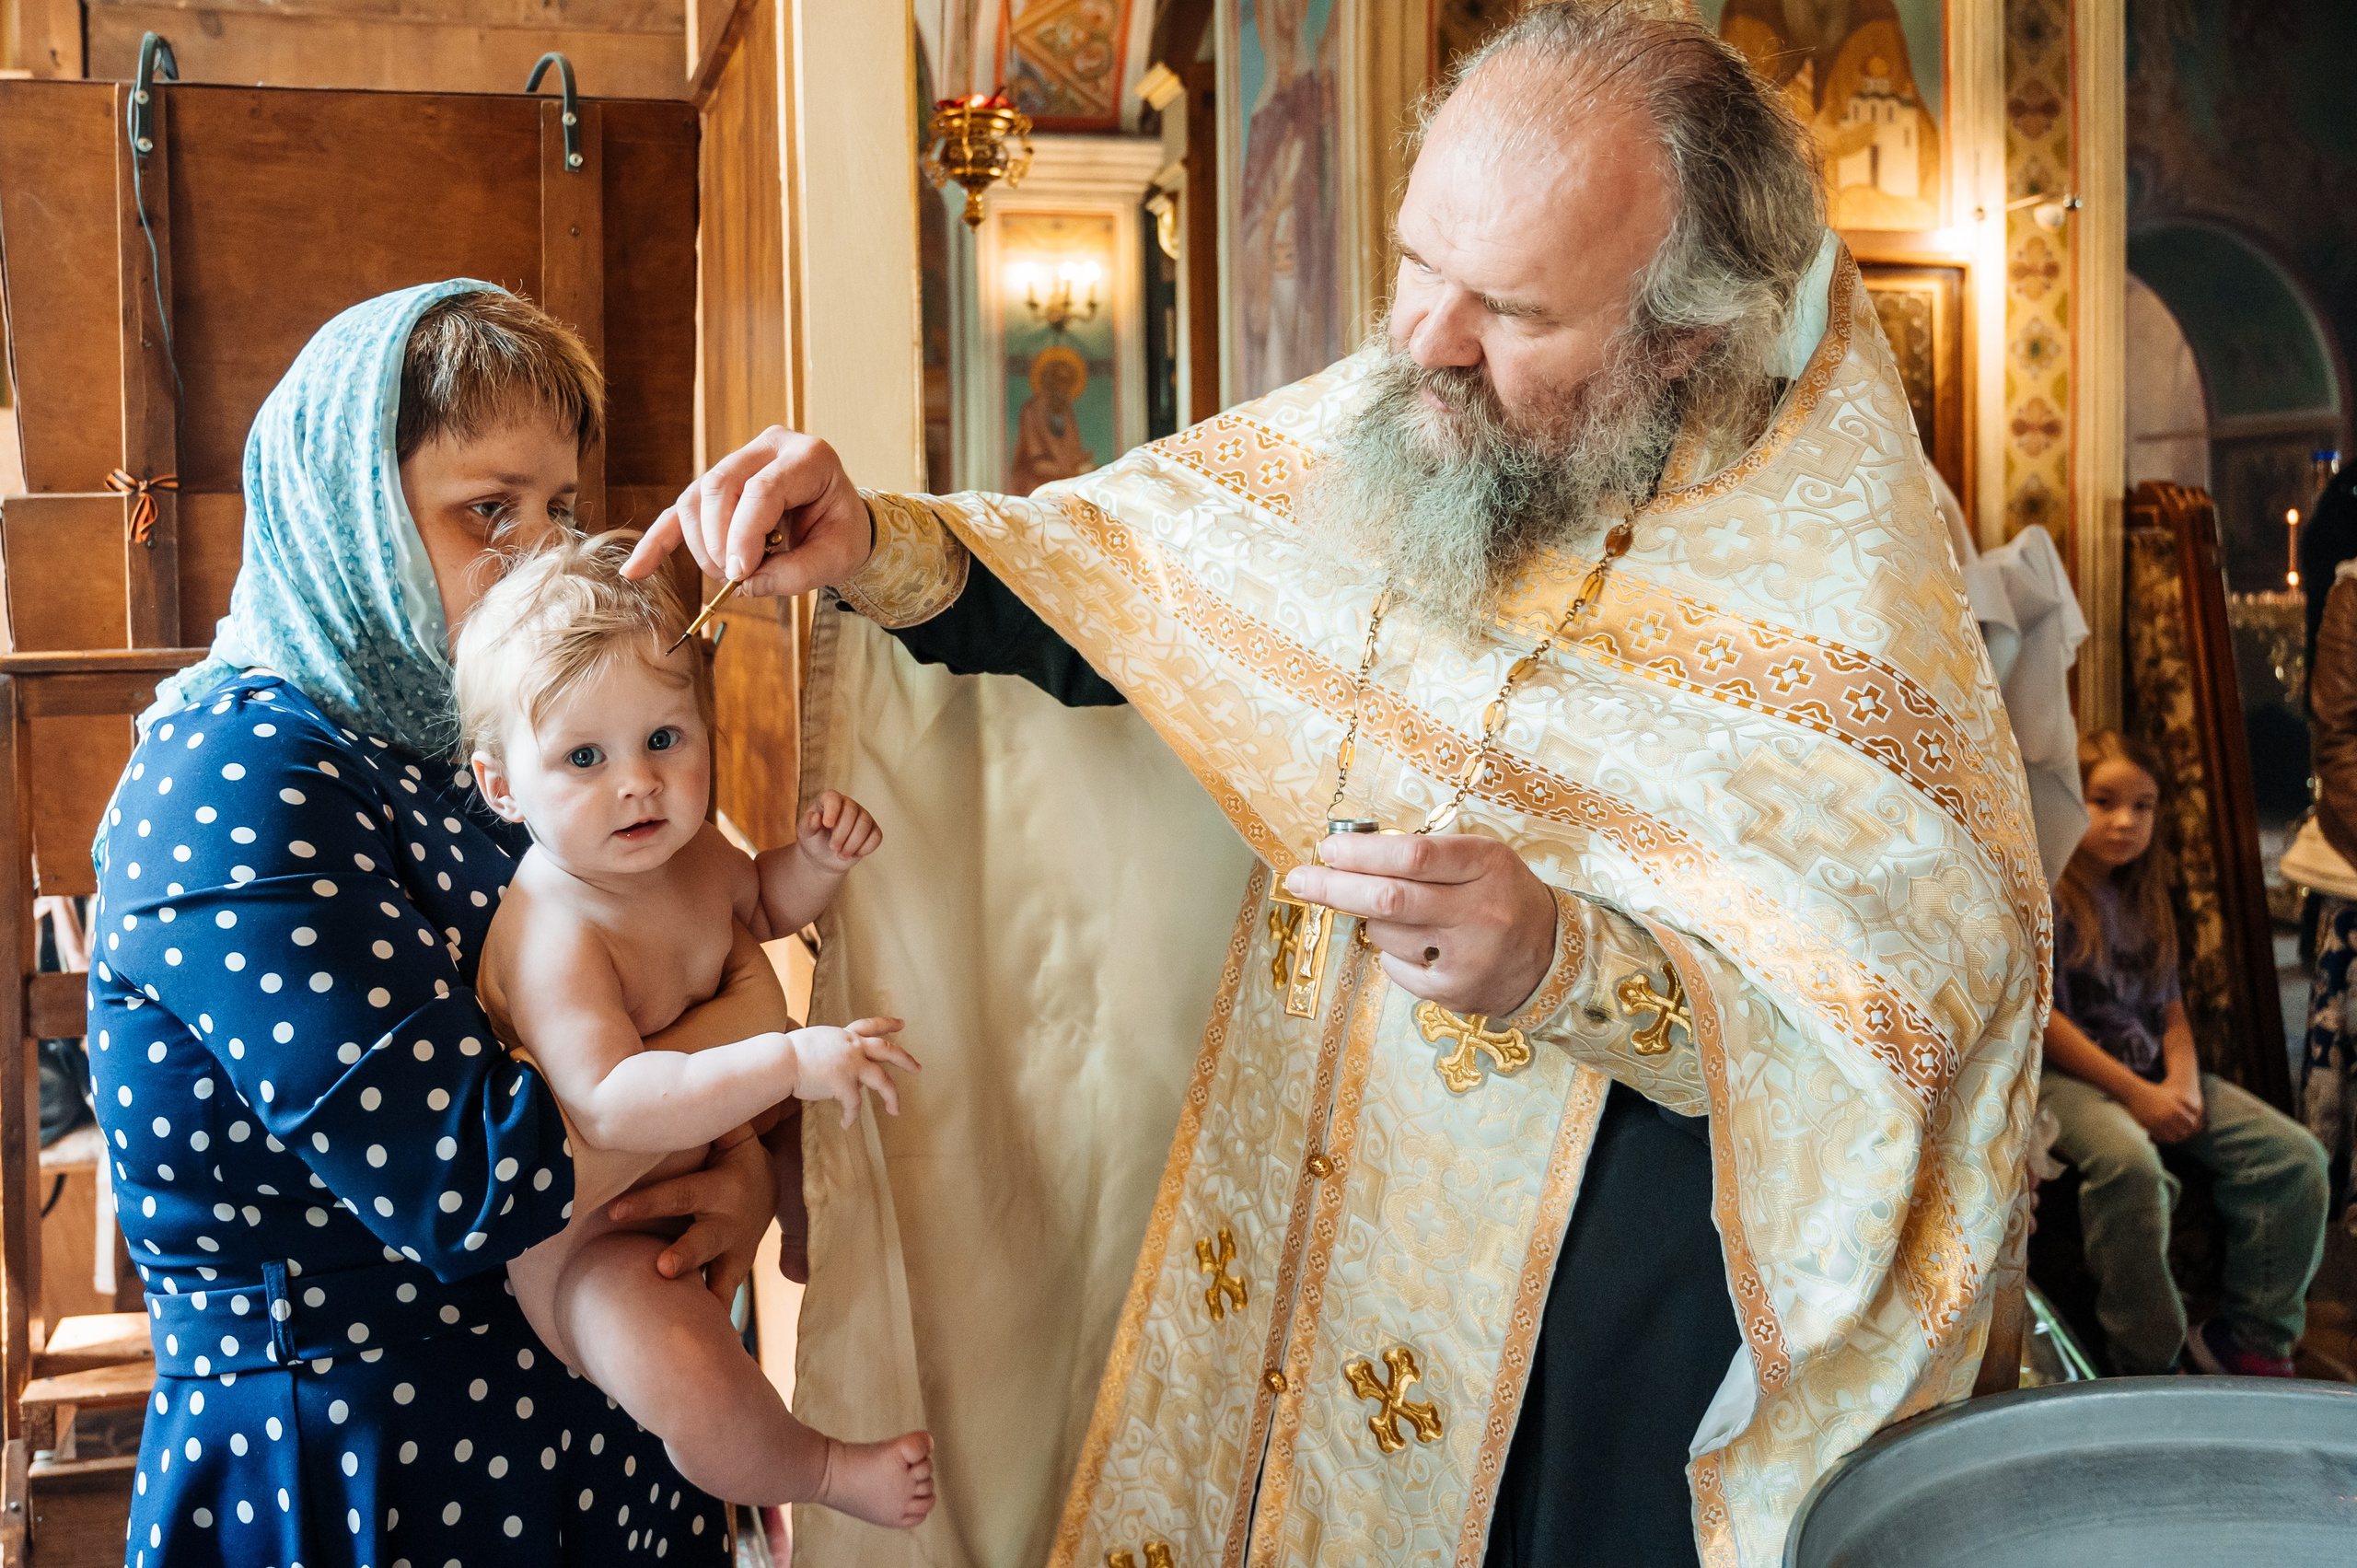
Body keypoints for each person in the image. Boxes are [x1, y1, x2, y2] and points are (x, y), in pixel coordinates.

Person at [633, 6, 2044, 1566]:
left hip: (1595, 1363)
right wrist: (883, 546)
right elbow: (1147, 592)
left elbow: (1895, 1034)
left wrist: (1567, 964)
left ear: (1684, 336)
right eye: (1415, 261)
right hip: (1296, 1246)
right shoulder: (1408, 415)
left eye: (1508, 306)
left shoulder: (1842, 601)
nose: (1426, 338)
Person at [93, 282, 792, 1568]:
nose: (541, 557)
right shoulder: (238, 769)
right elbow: (471, 1180)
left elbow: (674, 975)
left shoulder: (492, 738)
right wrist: (762, 1028)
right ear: (351, 515)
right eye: (488, 510)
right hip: (366, 1476)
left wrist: (736, 1173)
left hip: (588, 1439)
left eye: (560, 509)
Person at [456, 529, 933, 1522]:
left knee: (828, 1117)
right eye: (584, 755)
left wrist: (815, 862)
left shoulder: (690, 853)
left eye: (663, 740)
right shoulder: (554, 931)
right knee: (673, 1354)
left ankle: (805, 1236)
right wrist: (786, 1054)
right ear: (501, 784)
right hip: (597, 1246)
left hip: (709, 1151)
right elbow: (610, 1103)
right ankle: (818, 1472)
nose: (637, 781)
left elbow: (760, 904)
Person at [2044, 732, 2328, 1376]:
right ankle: (2150, 1360)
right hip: (2069, 1076)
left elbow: (2169, 1007)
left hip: (2151, 1066)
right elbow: (2046, 1023)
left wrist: (2183, 1082)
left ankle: (2253, 1336)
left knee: (2295, 1157)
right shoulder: (2050, 893)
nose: (2125, 820)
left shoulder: (2146, 895)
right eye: (2104, 800)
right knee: (2130, 1165)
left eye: (2143, 805)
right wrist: (2139, 1095)